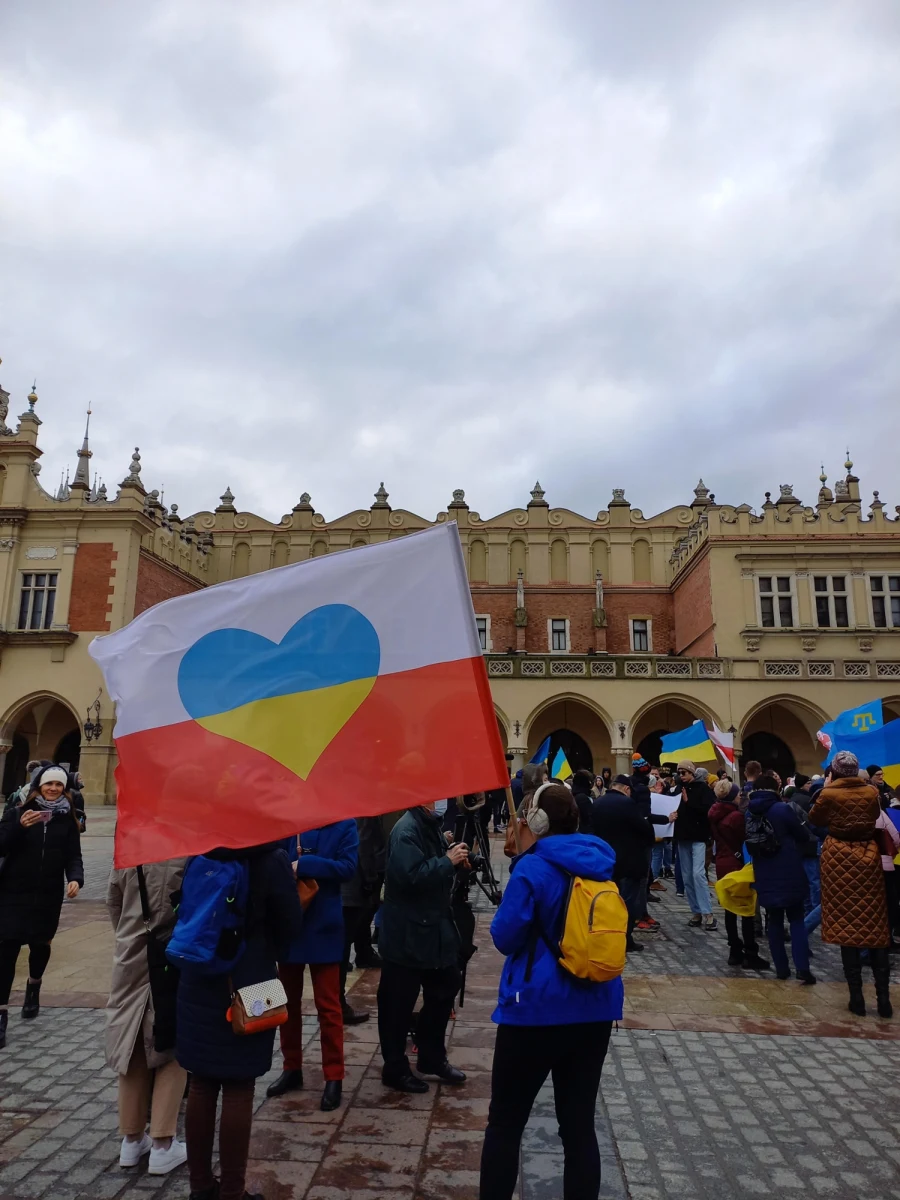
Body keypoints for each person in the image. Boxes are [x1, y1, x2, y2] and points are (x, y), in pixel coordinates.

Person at [479, 784, 622, 1200]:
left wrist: (520, 865)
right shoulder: (600, 861)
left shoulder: (532, 868)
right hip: (595, 1008)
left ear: (537, 823)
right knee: (578, 1128)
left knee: (505, 1123)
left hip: (535, 1011)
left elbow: (504, 937)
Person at [177, 841, 303, 1200]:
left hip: (198, 979)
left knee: (200, 1083)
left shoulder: (199, 853)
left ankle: (201, 1187)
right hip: (251, 983)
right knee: (239, 1086)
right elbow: (291, 927)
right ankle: (232, 1191)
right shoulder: (270, 858)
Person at [377, 799, 468, 1092]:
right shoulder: (406, 830)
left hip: (430, 929)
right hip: (406, 933)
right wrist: (447, 861)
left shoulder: (427, 825)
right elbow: (409, 877)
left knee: (445, 985)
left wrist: (450, 855)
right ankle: (394, 1068)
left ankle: (431, 1056)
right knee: (397, 1004)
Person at [267, 820, 358, 1111]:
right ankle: (291, 1067)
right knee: (288, 1004)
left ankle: (334, 1075)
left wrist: (305, 863)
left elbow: (347, 867)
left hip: (324, 926)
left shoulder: (345, 824)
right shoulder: (287, 820)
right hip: (290, 922)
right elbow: (270, 862)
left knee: (329, 1006)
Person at [107, 858, 188, 1174]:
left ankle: (131, 1139)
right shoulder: (186, 848)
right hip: (169, 954)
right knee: (170, 1043)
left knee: (132, 1042)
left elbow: (113, 899)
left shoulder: (130, 844)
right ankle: (163, 1144)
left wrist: (129, 932)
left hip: (129, 954)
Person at [0, 765, 83, 1048]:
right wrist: (20, 828)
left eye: (58, 786)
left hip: (47, 894)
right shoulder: (17, 813)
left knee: (40, 945)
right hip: (13, 893)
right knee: (6, 950)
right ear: (38, 786)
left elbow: (74, 855)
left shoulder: (67, 821)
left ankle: (33, 988)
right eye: (48, 784)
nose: (53, 789)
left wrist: (75, 878)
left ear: (64, 789)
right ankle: (1, 1014)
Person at [809, 753, 893, 1017]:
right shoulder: (871, 793)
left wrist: (829, 788)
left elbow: (815, 819)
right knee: (876, 928)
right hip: (868, 857)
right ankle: (883, 1000)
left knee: (848, 930)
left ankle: (856, 998)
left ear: (834, 772)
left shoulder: (829, 794)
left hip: (838, 858)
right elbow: (873, 815)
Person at [747, 773, 815, 985]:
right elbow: (804, 835)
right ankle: (802, 967)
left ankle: (781, 968)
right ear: (775, 790)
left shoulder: (749, 813)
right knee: (796, 920)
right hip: (788, 869)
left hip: (764, 871)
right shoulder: (782, 809)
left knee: (774, 921)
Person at [590, 776, 655, 951]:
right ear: (626, 789)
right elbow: (645, 829)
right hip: (629, 861)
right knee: (628, 902)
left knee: (607, 901)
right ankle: (625, 938)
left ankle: (605, 934)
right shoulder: (627, 804)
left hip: (605, 860)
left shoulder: (598, 803)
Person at [708, 780, 769, 970]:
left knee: (729, 909)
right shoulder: (735, 817)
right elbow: (746, 837)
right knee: (746, 909)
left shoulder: (714, 812)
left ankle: (734, 950)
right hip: (736, 864)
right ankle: (750, 952)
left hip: (722, 862)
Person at [340, 816, 387, 1024]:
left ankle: (364, 953)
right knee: (341, 946)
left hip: (346, 884)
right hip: (353, 884)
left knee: (343, 942)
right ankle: (338, 1004)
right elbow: (364, 843)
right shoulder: (361, 810)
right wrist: (370, 878)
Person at [673, 761, 717, 931]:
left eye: (684, 772)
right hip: (683, 837)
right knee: (687, 876)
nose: (681, 776)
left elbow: (707, 812)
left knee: (698, 874)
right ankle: (696, 911)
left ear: (692, 773)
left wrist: (688, 802)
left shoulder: (703, 789)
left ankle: (708, 913)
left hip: (698, 837)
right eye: (679, 773)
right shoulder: (677, 789)